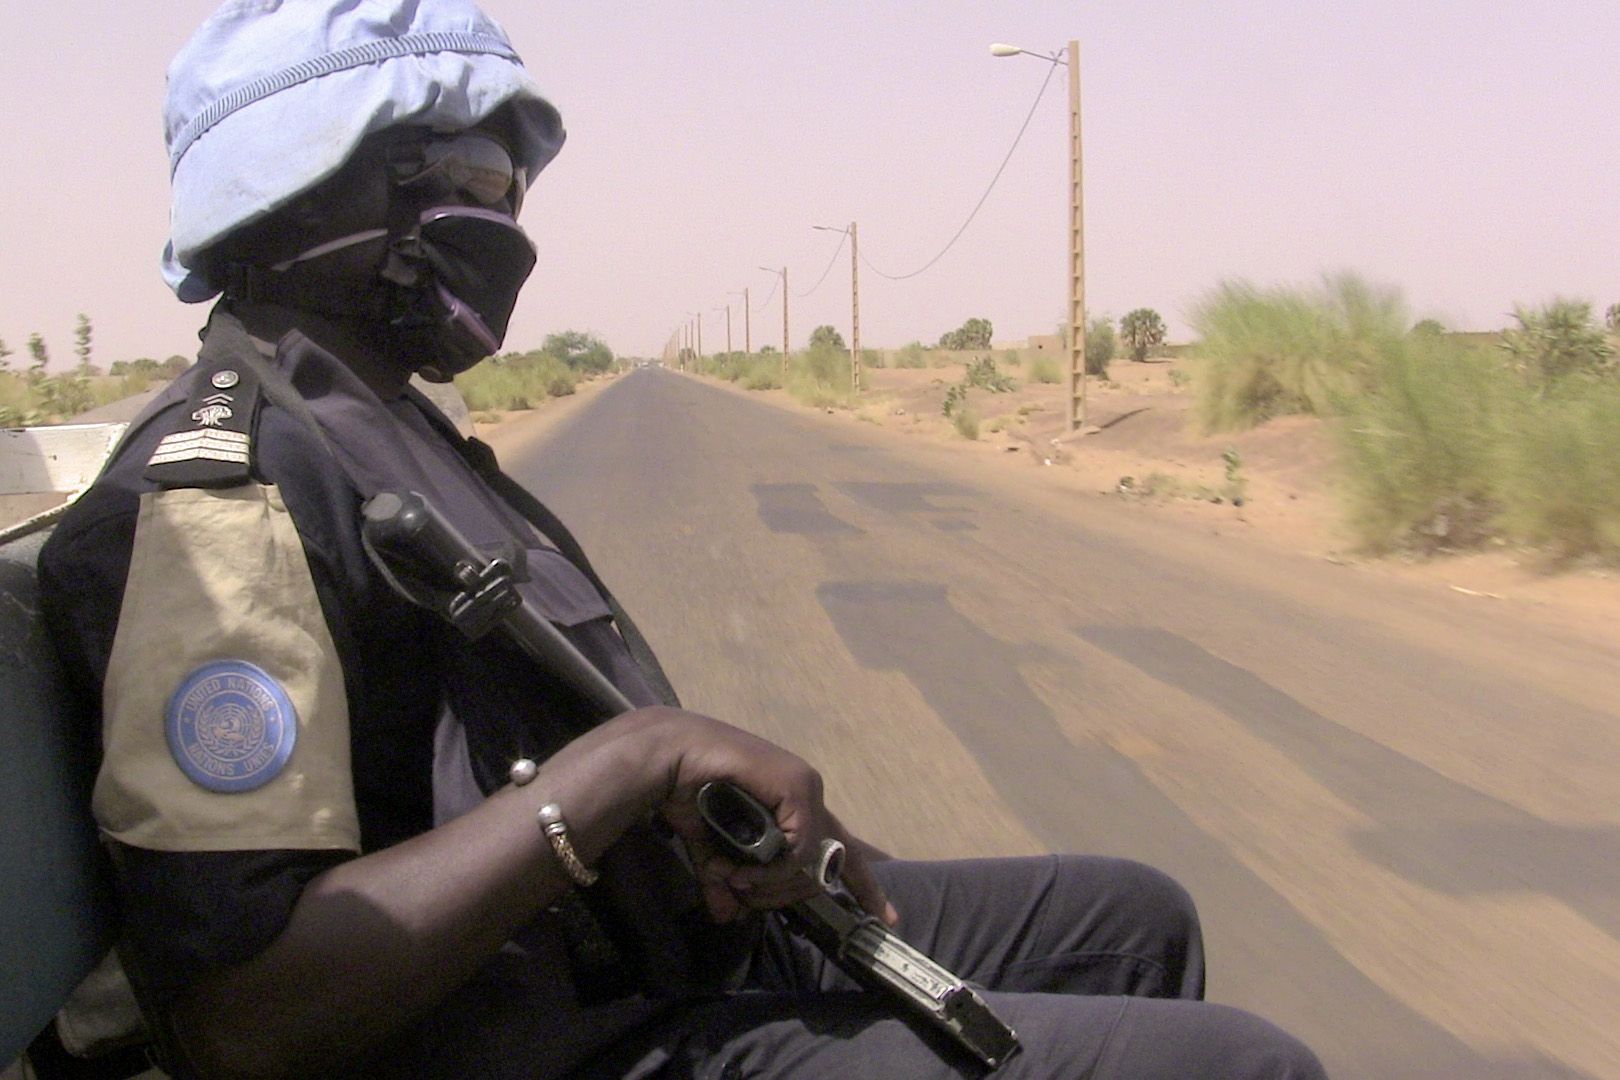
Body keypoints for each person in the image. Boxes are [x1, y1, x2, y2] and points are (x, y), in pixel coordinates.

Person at [39, 3, 1327, 1078]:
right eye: (482, 184)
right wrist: (637, 764)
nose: (514, 225)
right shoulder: (226, 496)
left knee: (1133, 921)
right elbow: (245, 1013)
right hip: (547, 1040)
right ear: (319, 190)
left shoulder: (379, 429)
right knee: (1242, 1066)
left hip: (644, 943)